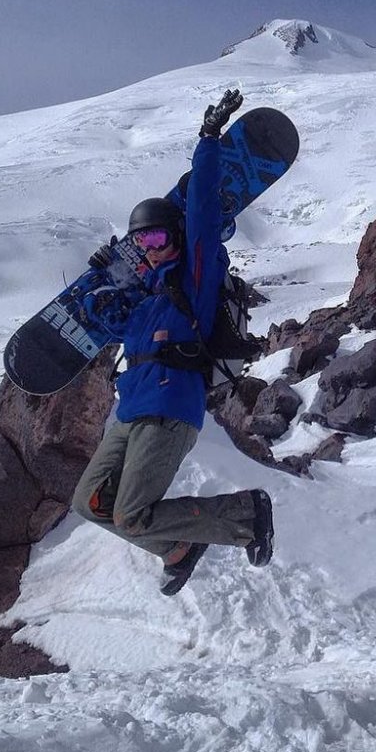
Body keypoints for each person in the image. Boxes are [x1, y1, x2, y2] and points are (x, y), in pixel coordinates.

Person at [72, 89, 273, 596]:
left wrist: (208, 141)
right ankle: (179, 549)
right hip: (130, 412)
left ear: (176, 240)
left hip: (169, 408)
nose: (152, 249)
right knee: (90, 504)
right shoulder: (145, 303)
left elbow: (202, 209)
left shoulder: (196, 278)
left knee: (133, 514)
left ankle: (247, 514)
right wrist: (100, 286)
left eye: (159, 239)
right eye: (142, 243)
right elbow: (116, 330)